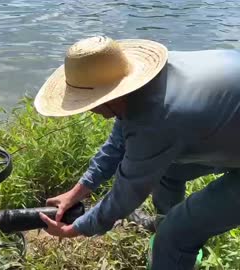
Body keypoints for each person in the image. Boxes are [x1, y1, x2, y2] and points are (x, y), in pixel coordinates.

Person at [34, 35, 240, 269]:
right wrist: (76, 192)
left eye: (90, 103)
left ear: (111, 96)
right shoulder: (145, 84)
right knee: (168, 170)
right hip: (229, 129)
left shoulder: (158, 118)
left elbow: (127, 194)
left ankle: (174, 240)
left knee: (174, 236)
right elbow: (117, 145)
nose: (92, 111)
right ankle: (167, 225)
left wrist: (77, 228)